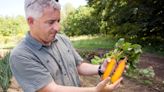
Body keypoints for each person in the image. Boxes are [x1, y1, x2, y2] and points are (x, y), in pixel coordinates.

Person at [9, 0, 123, 92]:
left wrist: (100, 69)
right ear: (31, 21)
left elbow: (78, 66)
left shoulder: (62, 39)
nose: (58, 28)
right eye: (51, 22)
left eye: (58, 20)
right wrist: (95, 90)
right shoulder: (21, 55)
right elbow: (51, 89)